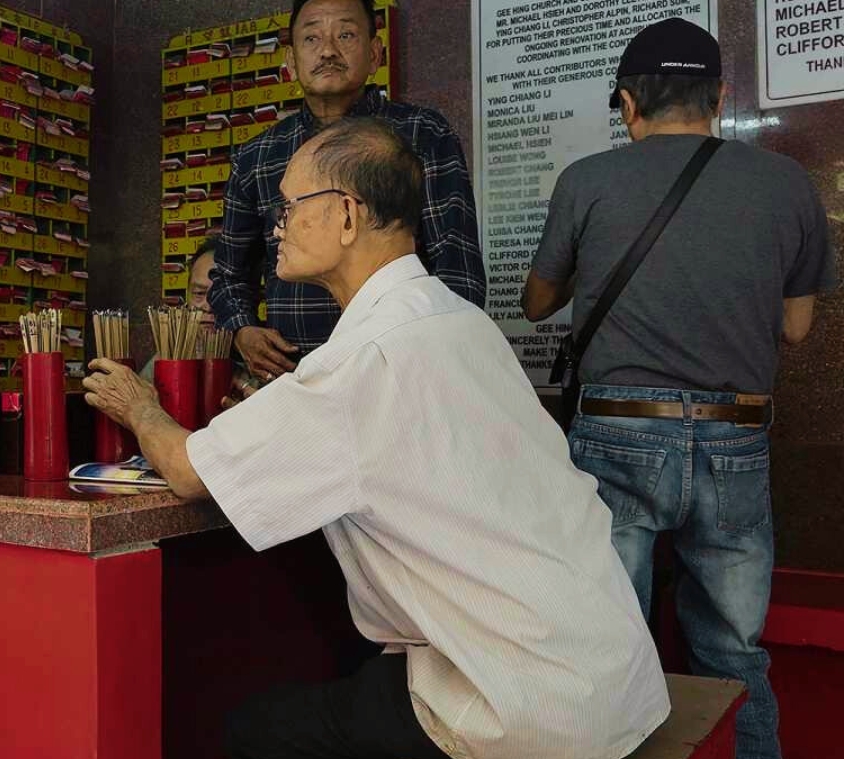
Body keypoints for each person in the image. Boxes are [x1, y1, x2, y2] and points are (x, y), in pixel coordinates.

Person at [86, 117, 668, 759]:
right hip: (612, 674)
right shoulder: (460, 320)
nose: (275, 228)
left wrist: (140, 409)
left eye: (287, 207)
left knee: (249, 731)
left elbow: (194, 473)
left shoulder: (361, 358)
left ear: (345, 214)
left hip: (519, 709)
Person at [522, 18, 837, 759]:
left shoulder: (586, 181)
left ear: (627, 103)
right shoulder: (787, 183)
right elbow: (795, 329)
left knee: (611, 644)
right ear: (720, 98)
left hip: (617, 432)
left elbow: (538, 304)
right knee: (733, 649)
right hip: (736, 434)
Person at [209, 0, 484, 383]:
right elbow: (227, 276)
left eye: (346, 34)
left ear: (375, 54)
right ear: (290, 60)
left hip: (398, 375)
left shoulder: (421, 135)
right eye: (311, 37)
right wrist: (243, 331)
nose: (327, 50)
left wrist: (431, 366)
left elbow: (459, 276)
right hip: (293, 381)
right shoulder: (258, 156)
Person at [140, 238, 219, 381]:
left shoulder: (253, 364)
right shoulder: (168, 360)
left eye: (219, 294)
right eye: (199, 293)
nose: (208, 306)